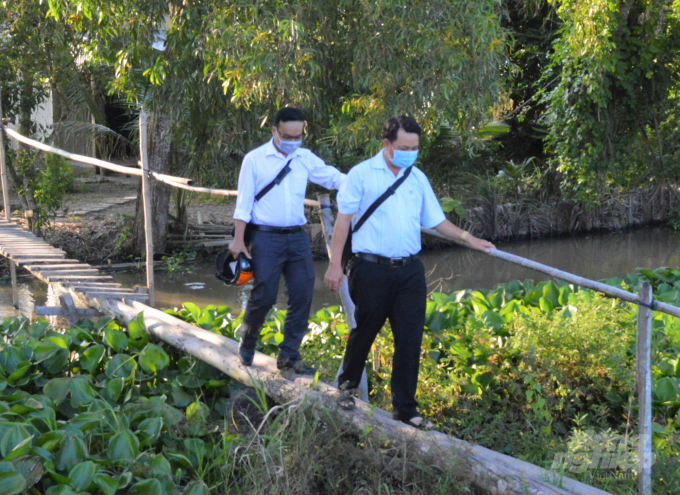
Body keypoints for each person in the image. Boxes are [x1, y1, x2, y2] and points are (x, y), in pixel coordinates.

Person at [324, 115, 495, 429]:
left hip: (410, 272)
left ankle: (405, 409)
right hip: (371, 269)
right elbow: (343, 224)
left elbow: (435, 220)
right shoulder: (361, 175)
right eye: (405, 147)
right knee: (365, 330)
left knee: (410, 339)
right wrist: (335, 265)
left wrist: (468, 238)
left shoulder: (416, 178)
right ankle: (345, 388)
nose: (410, 153)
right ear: (387, 144)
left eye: (415, 148)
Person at [230, 107, 345, 375]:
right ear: (274, 131)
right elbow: (243, 203)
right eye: (287, 136)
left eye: (298, 136)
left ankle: (290, 354)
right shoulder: (255, 159)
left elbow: (332, 177)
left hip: (297, 238)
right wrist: (238, 240)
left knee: (304, 292)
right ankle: (247, 342)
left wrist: (365, 183)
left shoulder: (304, 158)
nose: (293, 141)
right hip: (265, 237)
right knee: (265, 294)